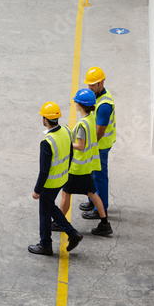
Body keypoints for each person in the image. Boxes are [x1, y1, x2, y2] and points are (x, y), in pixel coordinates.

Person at [29, 102, 83, 256]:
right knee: (50, 207)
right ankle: (72, 234)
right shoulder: (66, 130)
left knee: (45, 213)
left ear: (45, 119)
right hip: (62, 178)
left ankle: (46, 245)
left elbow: (44, 170)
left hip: (50, 183)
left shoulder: (47, 142)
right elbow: (71, 153)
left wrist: (37, 190)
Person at [58, 89, 112, 236]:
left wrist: (68, 143)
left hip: (77, 167)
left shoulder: (82, 124)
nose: (74, 103)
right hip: (87, 166)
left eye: (76, 101)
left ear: (80, 105)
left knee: (65, 194)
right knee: (93, 193)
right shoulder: (91, 119)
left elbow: (80, 146)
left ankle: (59, 222)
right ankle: (104, 223)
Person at [79, 67, 116, 219]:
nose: (90, 88)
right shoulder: (96, 96)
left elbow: (100, 132)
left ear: (101, 83)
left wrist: (88, 147)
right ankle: (93, 201)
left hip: (100, 145)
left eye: (93, 85)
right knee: (92, 174)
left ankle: (101, 209)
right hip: (95, 144)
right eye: (89, 85)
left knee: (99, 176)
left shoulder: (104, 105)